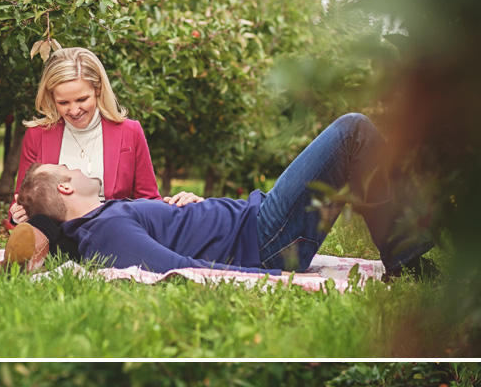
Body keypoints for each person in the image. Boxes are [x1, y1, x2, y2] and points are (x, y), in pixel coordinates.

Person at [20, 104, 405, 283]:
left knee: (354, 136)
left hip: (260, 223)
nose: (80, 168)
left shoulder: (101, 218)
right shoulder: (104, 230)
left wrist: (186, 209)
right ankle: (410, 259)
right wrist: (262, 277)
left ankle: (409, 251)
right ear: (66, 187)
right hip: (264, 237)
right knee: (353, 130)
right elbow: (178, 268)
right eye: (69, 169)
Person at [12, 35, 158, 222]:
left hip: (114, 227)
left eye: (82, 99)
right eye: (63, 102)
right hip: (57, 232)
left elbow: (149, 199)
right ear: (51, 97)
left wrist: (181, 206)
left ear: (98, 89)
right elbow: (22, 199)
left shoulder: (130, 132)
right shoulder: (37, 135)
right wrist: (18, 214)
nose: (74, 110)